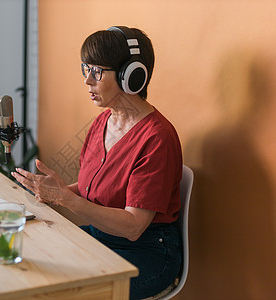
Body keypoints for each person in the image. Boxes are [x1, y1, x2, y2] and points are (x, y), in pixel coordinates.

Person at [12, 26, 182, 300]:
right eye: (85, 69)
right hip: (100, 237)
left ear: (131, 76)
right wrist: (51, 192)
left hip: (145, 253)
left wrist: (66, 199)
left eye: (97, 72)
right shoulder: (102, 122)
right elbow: (95, 187)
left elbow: (133, 226)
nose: (87, 80)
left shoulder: (156, 138)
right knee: (31, 263)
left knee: (61, 292)